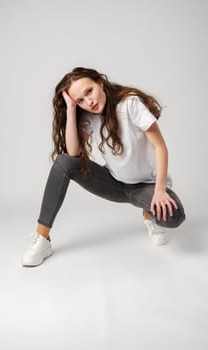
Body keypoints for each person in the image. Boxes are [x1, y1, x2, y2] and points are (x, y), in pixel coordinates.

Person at [22, 67, 186, 267]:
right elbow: (73, 153)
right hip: (115, 183)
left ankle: (148, 213)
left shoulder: (130, 103)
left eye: (88, 91)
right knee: (64, 162)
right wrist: (72, 110)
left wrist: (160, 191)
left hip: (146, 186)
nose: (88, 102)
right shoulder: (88, 116)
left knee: (173, 216)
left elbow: (160, 146)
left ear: (100, 82)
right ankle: (42, 239)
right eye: (80, 100)